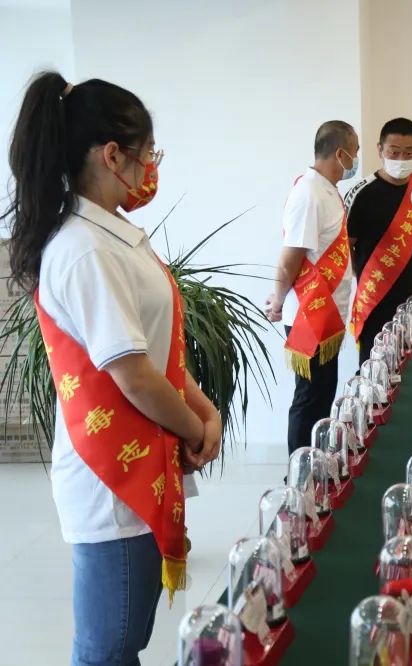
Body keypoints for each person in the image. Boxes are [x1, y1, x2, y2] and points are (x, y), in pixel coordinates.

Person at [2, 71, 222, 665]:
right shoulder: (84, 248)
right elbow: (133, 375)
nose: (151, 167)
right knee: (107, 648)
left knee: (123, 642)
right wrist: (195, 428)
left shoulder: (114, 232)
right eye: (148, 154)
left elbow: (152, 347)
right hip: (112, 483)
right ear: (112, 155)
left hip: (140, 457)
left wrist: (203, 408)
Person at [265, 121, 358, 455]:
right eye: (355, 151)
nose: (356, 159)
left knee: (322, 393)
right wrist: (277, 300)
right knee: (309, 397)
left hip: (327, 313)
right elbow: (290, 257)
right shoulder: (309, 193)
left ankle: (315, 464)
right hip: (311, 311)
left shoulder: (326, 190)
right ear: (340, 153)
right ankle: (299, 470)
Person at [345, 117, 412, 363]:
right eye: (394, 152)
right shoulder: (361, 194)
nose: (401, 159)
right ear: (380, 150)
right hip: (376, 296)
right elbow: (346, 247)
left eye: (409, 153)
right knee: (374, 368)